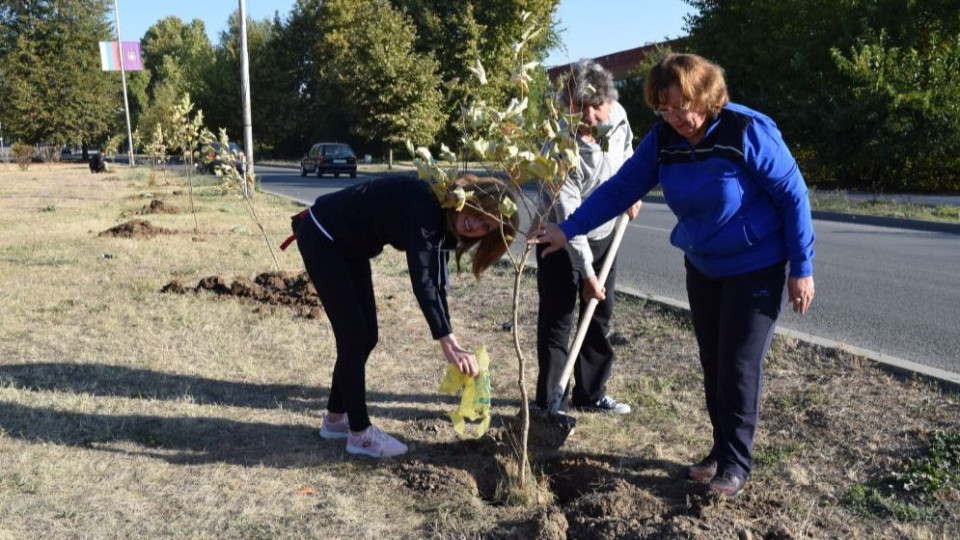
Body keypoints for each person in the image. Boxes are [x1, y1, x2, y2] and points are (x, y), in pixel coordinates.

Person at [533, 53, 816, 497]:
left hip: (755, 267)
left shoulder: (745, 130)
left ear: (704, 94)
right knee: (713, 363)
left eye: (680, 106)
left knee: (739, 366)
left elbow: (793, 193)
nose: (674, 118)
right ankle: (720, 451)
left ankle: (736, 464)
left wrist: (802, 267)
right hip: (703, 265)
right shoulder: (664, 139)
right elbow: (622, 188)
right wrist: (567, 229)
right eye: (663, 110)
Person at [294, 174, 519, 458]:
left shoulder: (445, 225)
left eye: (487, 226)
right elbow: (422, 279)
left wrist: (451, 337)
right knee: (354, 336)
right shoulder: (427, 207)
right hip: (323, 235)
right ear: (469, 198)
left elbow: (437, 284)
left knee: (366, 337)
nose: (475, 225)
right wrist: (447, 342)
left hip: (350, 247)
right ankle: (360, 434)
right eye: (479, 213)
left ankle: (335, 420)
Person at [535, 59, 641, 414]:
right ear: (570, 107)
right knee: (559, 317)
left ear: (608, 99)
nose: (592, 117)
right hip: (559, 237)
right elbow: (570, 219)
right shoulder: (561, 149)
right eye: (582, 109)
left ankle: (591, 395)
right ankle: (552, 401)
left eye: (597, 107)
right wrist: (588, 275)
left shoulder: (618, 115)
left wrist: (633, 189)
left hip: (606, 231)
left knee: (599, 315)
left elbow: (629, 154)